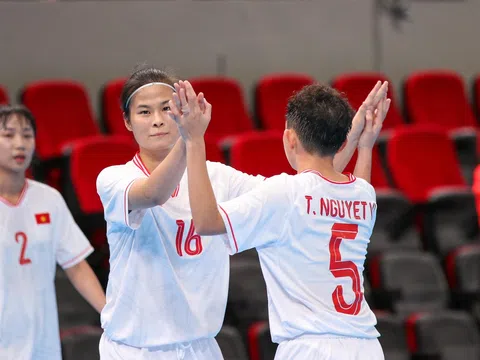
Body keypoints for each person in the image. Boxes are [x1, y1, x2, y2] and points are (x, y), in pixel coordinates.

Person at [96, 65, 388, 359]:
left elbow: (308, 192)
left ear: (182, 111)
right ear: (127, 121)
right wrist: (191, 140)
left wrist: (351, 139)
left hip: (201, 347)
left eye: (167, 109)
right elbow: (154, 193)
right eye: (145, 112)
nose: (158, 120)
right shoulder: (113, 178)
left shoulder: (218, 176)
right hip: (135, 349)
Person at [177, 82, 390, 359]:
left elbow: (206, 223)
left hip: (310, 347)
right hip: (367, 346)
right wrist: (364, 146)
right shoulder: (364, 195)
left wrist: (194, 141)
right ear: (341, 140)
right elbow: (327, 186)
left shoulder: (283, 194)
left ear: (290, 138)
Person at [0, 104, 106, 360]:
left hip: (42, 343)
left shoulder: (49, 199)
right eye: (8, 135)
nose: (20, 143)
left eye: (27, 135)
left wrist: (109, 314)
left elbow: (76, 267)